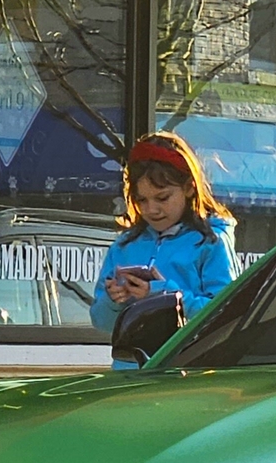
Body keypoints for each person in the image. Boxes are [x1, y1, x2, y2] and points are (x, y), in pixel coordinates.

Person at [90, 131, 239, 343]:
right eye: (141, 200)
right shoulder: (124, 245)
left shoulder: (211, 242)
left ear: (189, 188)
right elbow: (101, 323)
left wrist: (164, 295)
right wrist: (113, 301)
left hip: (186, 369)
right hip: (131, 370)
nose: (152, 209)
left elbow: (226, 314)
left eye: (162, 198)